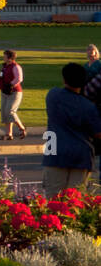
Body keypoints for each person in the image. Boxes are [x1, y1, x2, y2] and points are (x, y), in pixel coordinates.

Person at [43, 62, 101, 198]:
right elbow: (97, 133)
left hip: (55, 152)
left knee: (53, 199)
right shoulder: (88, 107)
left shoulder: (53, 96)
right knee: (74, 200)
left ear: (64, 79)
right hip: (81, 155)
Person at [0, 48, 27, 140]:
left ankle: (22, 128)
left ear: (10, 58)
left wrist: (11, 85)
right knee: (5, 113)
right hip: (5, 92)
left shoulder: (16, 66)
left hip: (14, 92)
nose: (3, 57)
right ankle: (8, 134)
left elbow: (19, 78)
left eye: (4, 56)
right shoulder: (5, 66)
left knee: (10, 111)